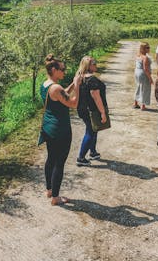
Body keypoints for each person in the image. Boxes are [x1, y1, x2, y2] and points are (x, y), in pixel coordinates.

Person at [39, 54, 82, 205]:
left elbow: (61, 94)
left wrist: (71, 84)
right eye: (62, 69)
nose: (64, 71)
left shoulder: (46, 85)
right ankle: (56, 198)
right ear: (54, 69)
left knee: (51, 158)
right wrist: (77, 86)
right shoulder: (56, 88)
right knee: (59, 162)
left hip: (48, 128)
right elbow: (73, 103)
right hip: (60, 130)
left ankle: (49, 190)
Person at [75, 56, 108, 166]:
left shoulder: (79, 77)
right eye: (94, 63)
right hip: (92, 110)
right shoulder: (92, 79)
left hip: (82, 109)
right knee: (90, 131)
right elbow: (96, 97)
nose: (96, 64)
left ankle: (93, 152)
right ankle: (81, 158)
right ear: (88, 66)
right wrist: (103, 112)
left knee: (94, 128)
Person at [133, 42, 153, 110]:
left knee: (138, 87)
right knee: (145, 89)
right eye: (147, 47)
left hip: (137, 72)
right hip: (143, 74)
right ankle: (143, 106)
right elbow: (145, 69)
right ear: (144, 49)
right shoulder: (145, 57)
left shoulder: (138, 55)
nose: (149, 49)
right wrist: (150, 78)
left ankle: (135, 103)